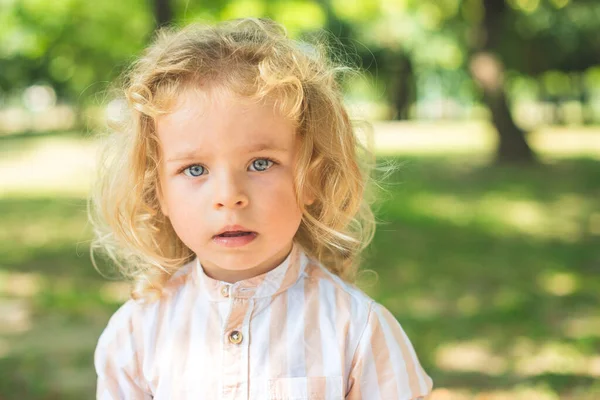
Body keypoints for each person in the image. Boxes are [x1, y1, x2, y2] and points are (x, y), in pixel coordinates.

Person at [90, 17, 433, 400]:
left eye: (260, 163)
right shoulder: (137, 334)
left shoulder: (358, 330)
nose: (230, 196)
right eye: (195, 169)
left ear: (311, 178)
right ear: (159, 193)